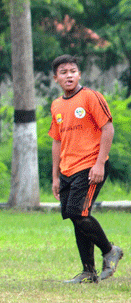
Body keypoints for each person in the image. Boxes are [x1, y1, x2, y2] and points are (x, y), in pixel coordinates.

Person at [48, 54, 124, 283]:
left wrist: (100, 163)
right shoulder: (57, 105)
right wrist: (55, 176)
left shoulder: (91, 97)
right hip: (67, 169)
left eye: (72, 71)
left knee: (78, 213)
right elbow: (56, 140)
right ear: (56, 79)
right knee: (76, 217)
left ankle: (110, 250)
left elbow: (107, 129)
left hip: (90, 165)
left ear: (79, 74)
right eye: (63, 72)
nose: (69, 75)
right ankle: (88, 272)